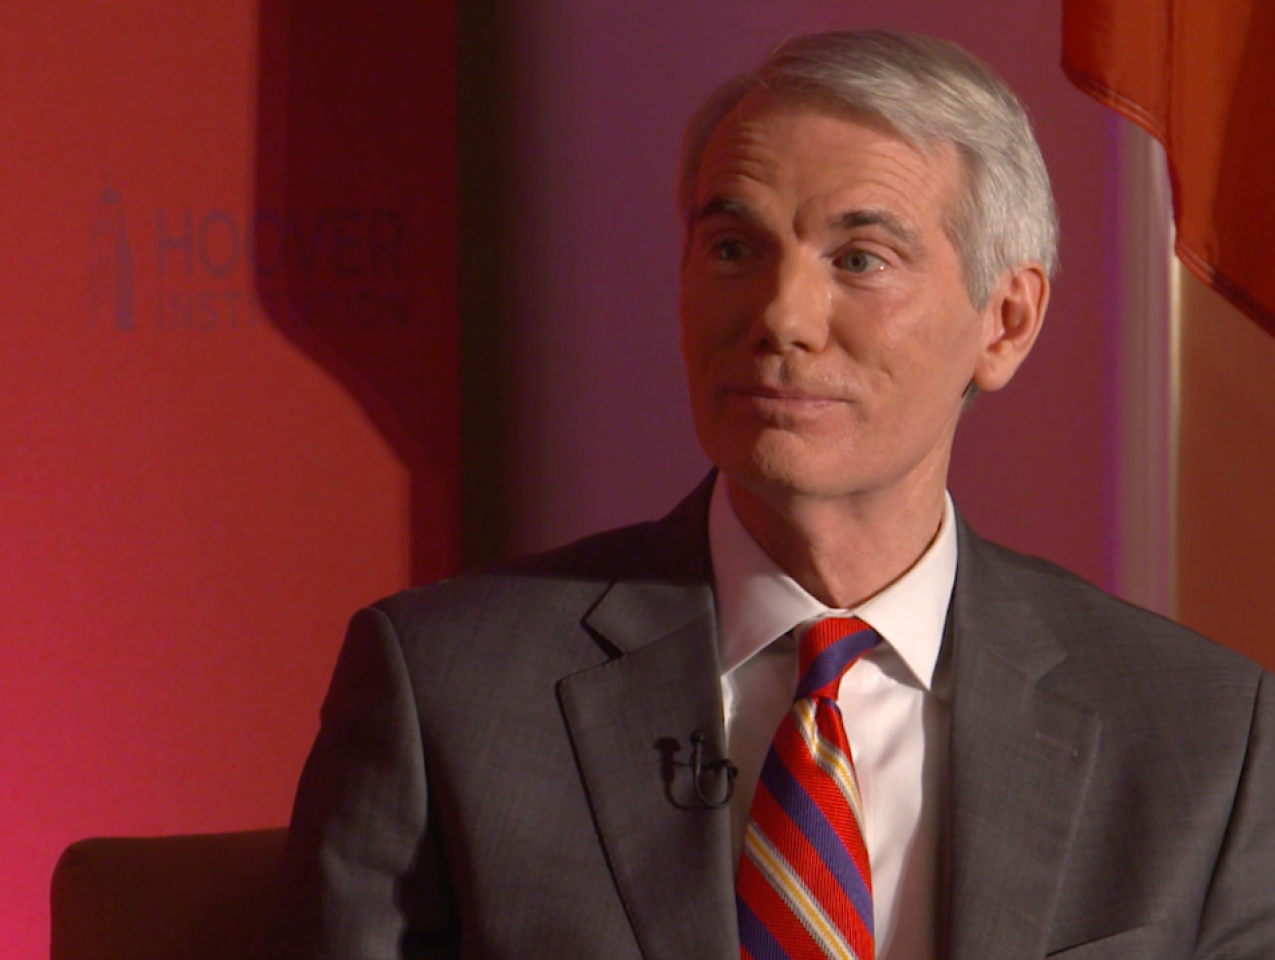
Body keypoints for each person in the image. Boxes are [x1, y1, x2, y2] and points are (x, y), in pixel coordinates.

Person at [263, 30, 1275, 960]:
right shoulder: (447, 693)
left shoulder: (1207, 739)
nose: (783, 317)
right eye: (735, 248)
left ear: (1005, 320)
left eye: (860, 258)